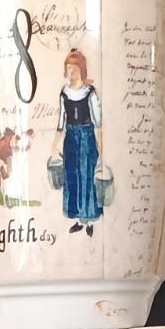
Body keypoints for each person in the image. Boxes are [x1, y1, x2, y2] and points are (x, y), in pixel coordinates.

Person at [50, 48, 103, 236]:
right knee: (72, 176)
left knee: (86, 176)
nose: (70, 71)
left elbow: (98, 124)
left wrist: (102, 150)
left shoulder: (90, 92)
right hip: (71, 138)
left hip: (86, 138)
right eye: (68, 68)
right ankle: (78, 219)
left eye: (73, 68)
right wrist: (54, 146)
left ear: (81, 69)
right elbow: (61, 122)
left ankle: (88, 221)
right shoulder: (64, 92)